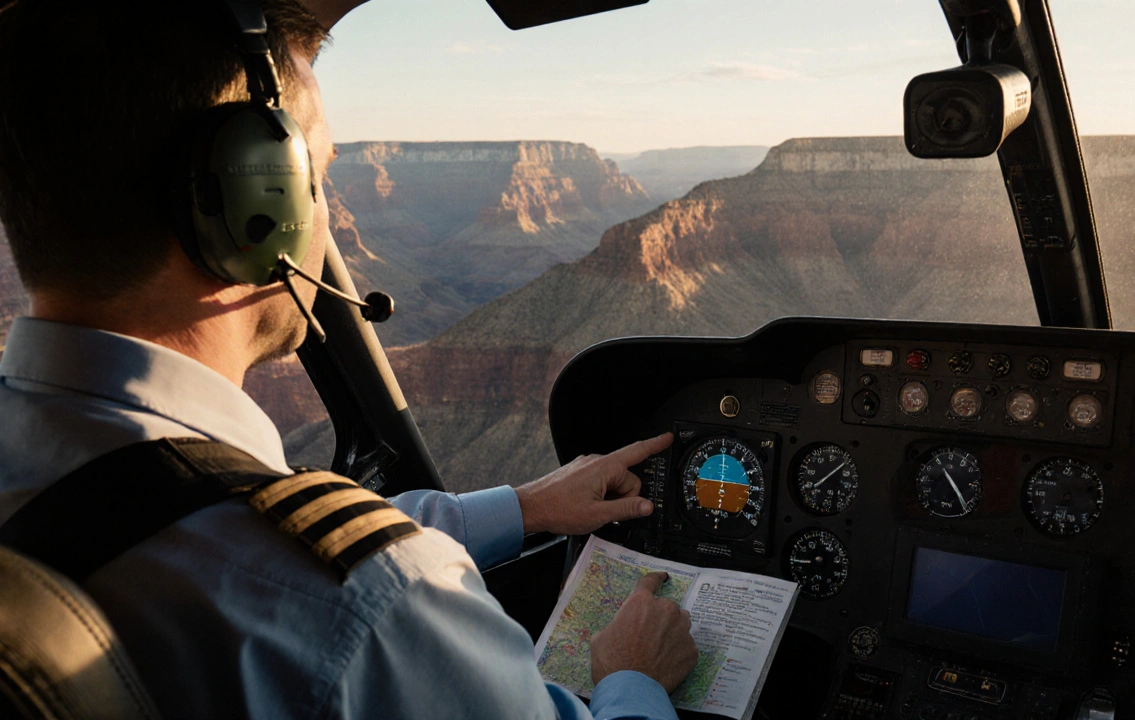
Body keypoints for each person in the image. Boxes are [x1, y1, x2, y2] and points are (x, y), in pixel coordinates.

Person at [0, 1, 696, 718]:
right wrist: (632, 677)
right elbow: (309, 564)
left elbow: (242, 531)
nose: (328, 210)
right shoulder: (367, 612)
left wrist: (524, 508)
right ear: (250, 211)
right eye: (317, 176)